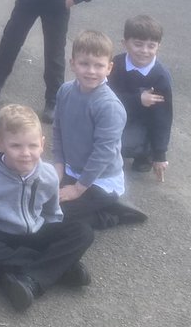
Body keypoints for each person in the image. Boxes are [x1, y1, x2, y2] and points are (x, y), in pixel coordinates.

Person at [0, 104, 94, 312]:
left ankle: (31, 281)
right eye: (16, 146)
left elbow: (52, 213)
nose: (26, 153)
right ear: (0, 144)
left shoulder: (48, 174)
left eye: (33, 146)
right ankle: (61, 268)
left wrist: (53, 238)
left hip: (34, 231)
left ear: (42, 144)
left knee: (83, 232)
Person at [53, 30, 147, 229]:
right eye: (84, 63)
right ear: (72, 64)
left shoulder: (108, 106)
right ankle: (96, 205)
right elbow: (58, 129)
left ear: (109, 68)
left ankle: (111, 213)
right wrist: (59, 166)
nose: (91, 71)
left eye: (99, 65)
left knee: (58, 215)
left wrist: (78, 189)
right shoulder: (65, 91)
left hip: (101, 179)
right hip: (73, 169)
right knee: (38, 199)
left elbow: (102, 153)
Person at [107, 15, 173, 182]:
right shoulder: (116, 64)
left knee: (132, 146)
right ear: (125, 43)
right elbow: (105, 98)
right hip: (118, 116)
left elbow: (163, 118)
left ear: (159, 46)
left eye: (151, 46)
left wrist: (160, 154)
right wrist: (138, 99)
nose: (144, 51)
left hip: (143, 124)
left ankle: (145, 153)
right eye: (138, 44)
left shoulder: (160, 77)